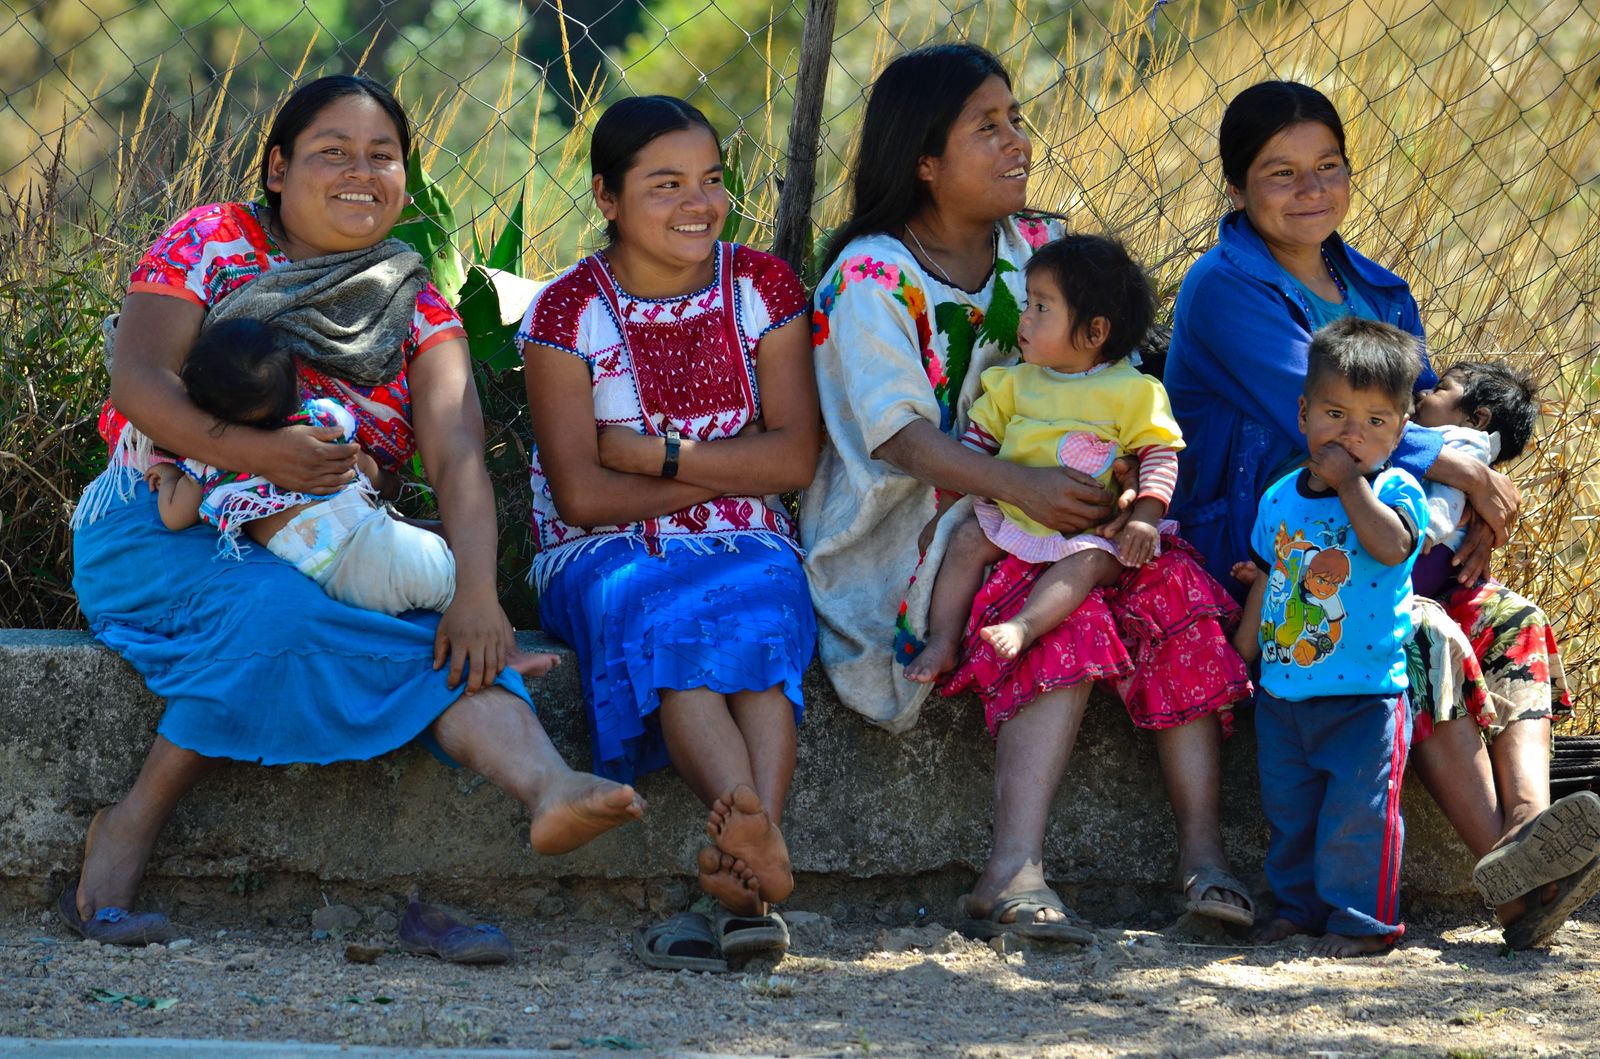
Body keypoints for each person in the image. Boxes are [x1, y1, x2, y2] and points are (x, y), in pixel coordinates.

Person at [65, 75, 643, 957]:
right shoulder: (213, 240)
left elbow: (455, 455)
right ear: (276, 166)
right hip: (165, 520)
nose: (360, 173)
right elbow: (139, 382)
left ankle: (553, 787)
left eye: (383, 157)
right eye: (332, 152)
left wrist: (479, 595)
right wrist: (260, 455)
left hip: (325, 542)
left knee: (458, 633)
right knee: (277, 612)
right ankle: (135, 818)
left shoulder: (419, 308)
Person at [803, 43, 1255, 941]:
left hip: (1063, 506)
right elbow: (900, 438)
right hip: (927, 521)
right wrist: (1026, 491)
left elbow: (1113, 387)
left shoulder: (1041, 250)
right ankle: (1011, 871)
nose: (1018, 142)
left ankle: (1205, 859)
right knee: (1060, 616)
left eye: (1017, 120)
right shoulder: (870, 278)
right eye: (988, 127)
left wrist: (1126, 490)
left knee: (1176, 596)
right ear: (924, 161)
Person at [1165, 78, 1600, 948]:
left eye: (1328, 166)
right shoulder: (1223, 289)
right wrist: (1461, 472)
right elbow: (1319, 417)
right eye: (1281, 173)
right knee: (1419, 632)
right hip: (1276, 552)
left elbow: (1402, 420)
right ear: (1237, 187)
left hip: (1388, 540)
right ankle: (1515, 881)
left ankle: (1529, 827)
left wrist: (1462, 508)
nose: (1310, 189)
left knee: (1517, 620)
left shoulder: (1380, 288)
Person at [519, 95, 819, 967]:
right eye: (666, 184)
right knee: (669, 619)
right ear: (607, 197)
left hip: (749, 538)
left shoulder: (763, 288)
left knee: (760, 624)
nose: (699, 202)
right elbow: (580, 494)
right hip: (602, 552)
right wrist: (727, 466)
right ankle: (756, 859)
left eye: (713, 180)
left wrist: (655, 455)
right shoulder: (566, 311)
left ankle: (744, 869)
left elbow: (794, 458)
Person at [904, 234, 1190, 679]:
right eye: (1028, 303)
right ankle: (942, 640)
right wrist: (943, 513)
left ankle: (1023, 626)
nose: (1024, 318)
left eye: (1042, 307)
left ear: (1095, 332)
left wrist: (1144, 519)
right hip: (1013, 516)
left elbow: (1159, 453)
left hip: (1092, 530)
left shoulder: (1133, 391)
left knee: (1088, 564)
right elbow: (977, 444)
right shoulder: (1016, 382)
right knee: (962, 542)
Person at [1233, 317, 1429, 958]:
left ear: (1400, 430)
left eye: (1376, 421)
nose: (1354, 433)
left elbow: (1390, 546)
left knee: (1359, 814)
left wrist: (1351, 485)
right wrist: (1240, 662)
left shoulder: (1395, 490)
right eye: (1337, 412)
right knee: (1290, 813)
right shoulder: (1278, 499)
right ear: (1304, 413)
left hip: (1366, 698)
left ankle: (1361, 921)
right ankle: (1299, 909)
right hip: (1284, 693)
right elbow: (1267, 583)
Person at [145, 317, 463, 619]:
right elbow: (362, 464)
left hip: (335, 580)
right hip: (395, 546)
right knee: (450, 577)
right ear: (292, 388)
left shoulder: (210, 465)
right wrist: (387, 484)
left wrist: (170, 473)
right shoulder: (325, 422)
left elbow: (174, 517)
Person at [1409, 362, 1540, 597]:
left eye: (1439, 388)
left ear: (1477, 419)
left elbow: (1447, 495)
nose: (1422, 393)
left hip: (1426, 551)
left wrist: (1428, 530)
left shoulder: (1464, 442)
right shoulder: (1470, 446)